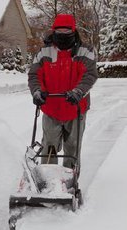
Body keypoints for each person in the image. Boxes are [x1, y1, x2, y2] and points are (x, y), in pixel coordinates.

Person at [28, 14, 98, 170]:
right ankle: (47, 177)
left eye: (67, 33)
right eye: (59, 33)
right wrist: (37, 92)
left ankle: (69, 179)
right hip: (51, 108)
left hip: (76, 107)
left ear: (74, 32)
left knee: (72, 147)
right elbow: (34, 74)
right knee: (49, 146)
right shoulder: (44, 52)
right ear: (54, 32)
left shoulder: (86, 51)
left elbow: (90, 74)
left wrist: (78, 92)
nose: (63, 37)